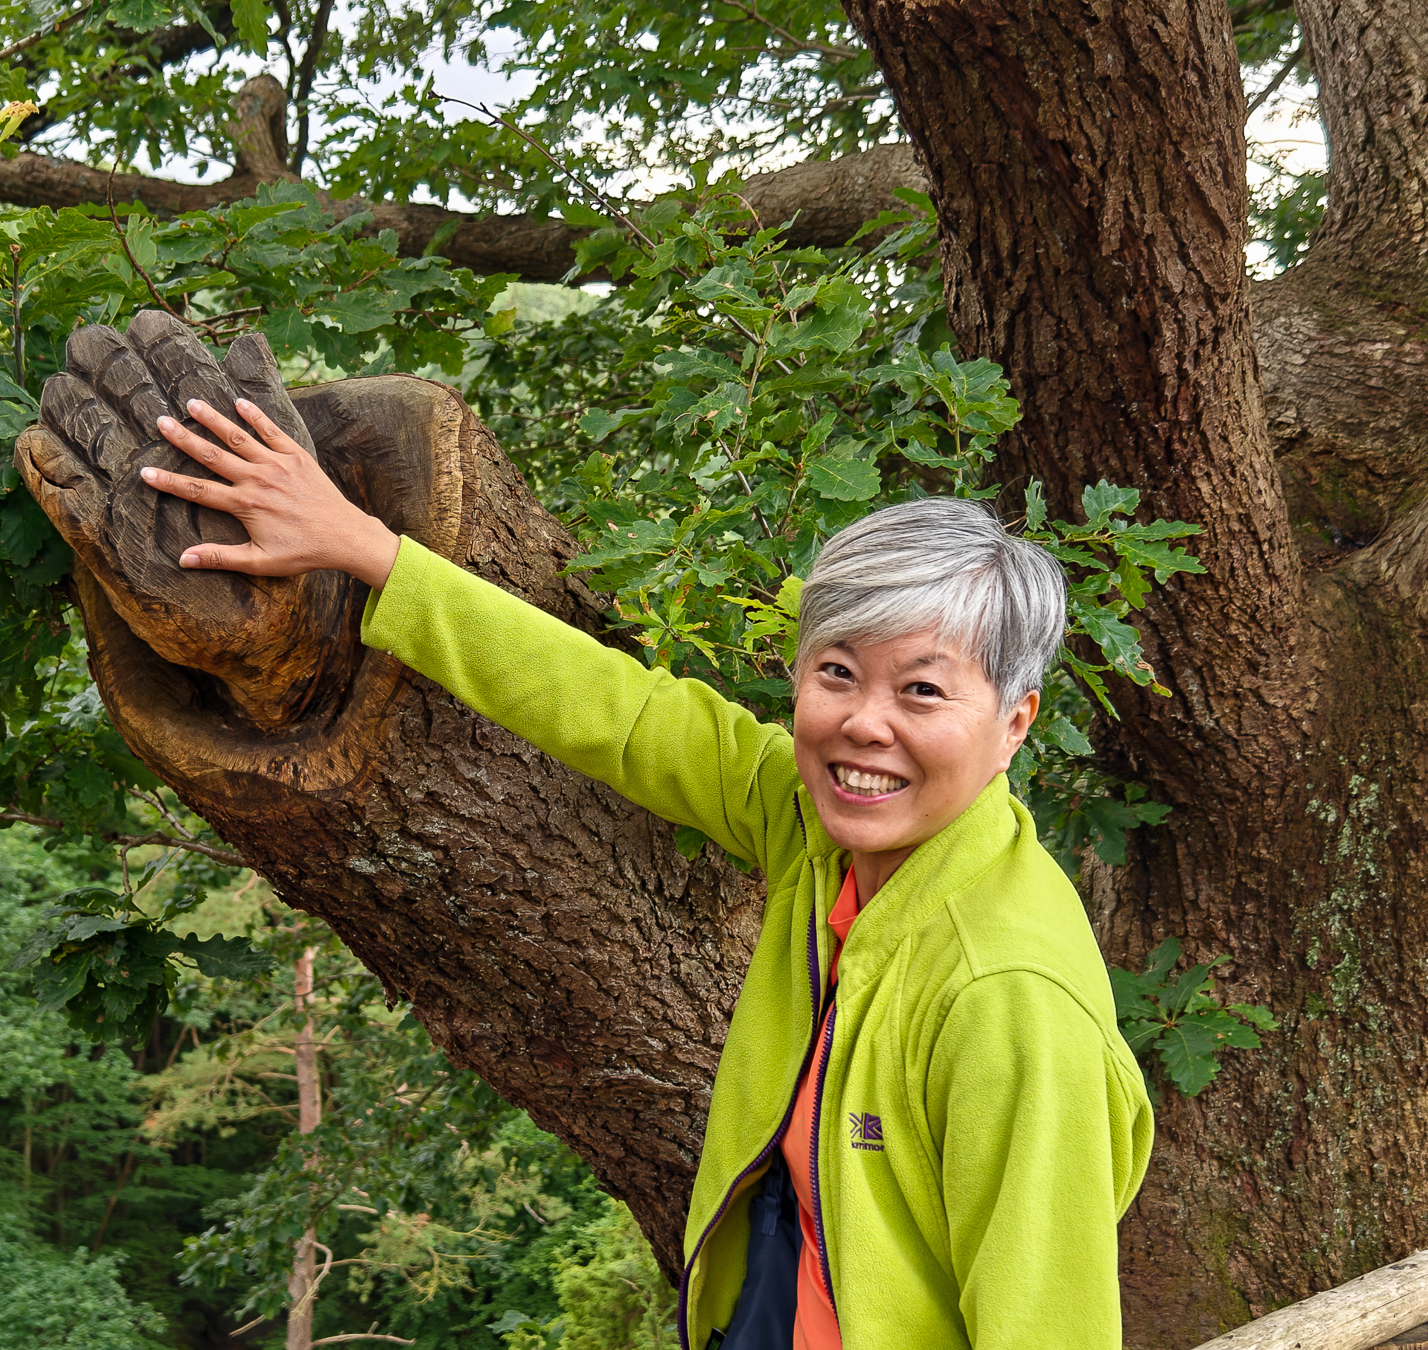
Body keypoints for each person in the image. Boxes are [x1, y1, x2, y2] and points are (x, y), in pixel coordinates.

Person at [137, 394, 1155, 1349]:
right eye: (838, 673)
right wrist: (366, 549)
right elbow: (622, 714)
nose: (864, 725)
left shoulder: (1006, 1000)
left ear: (1014, 723)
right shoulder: (825, 831)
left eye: (923, 692)